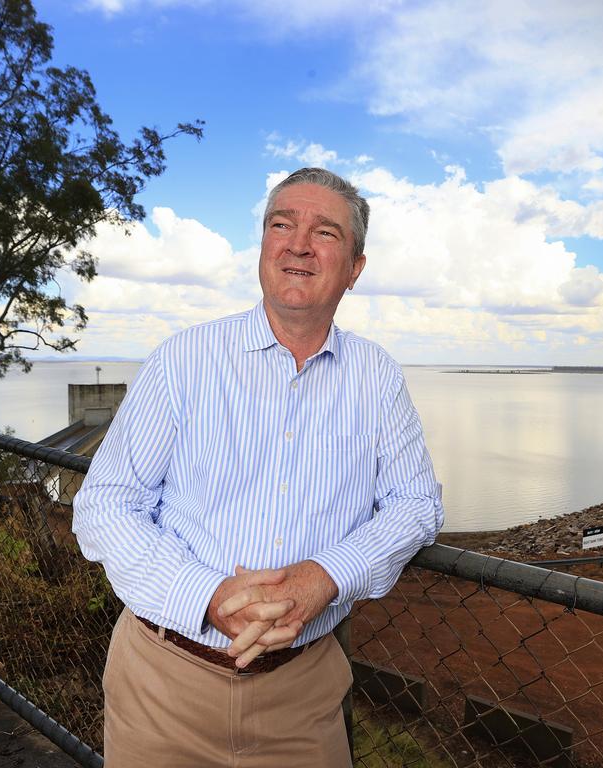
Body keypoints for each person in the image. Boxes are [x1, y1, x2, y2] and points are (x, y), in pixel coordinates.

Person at [72, 167, 444, 767]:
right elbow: (105, 504)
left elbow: (417, 504)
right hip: (163, 688)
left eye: (325, 232)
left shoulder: (377, 377)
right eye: (281, 224)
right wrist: (206, 596)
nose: (298, 243)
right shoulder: (183, 359)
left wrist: (325, 577)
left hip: (303, 698)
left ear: (355, 268)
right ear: (264, 248)